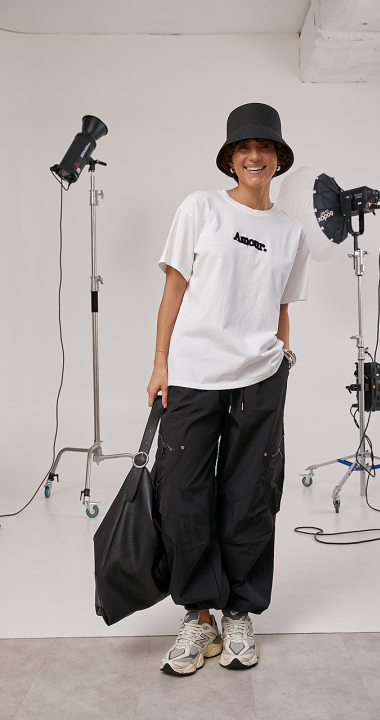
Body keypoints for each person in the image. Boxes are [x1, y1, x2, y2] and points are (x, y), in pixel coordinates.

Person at [147, 103, 311, 676]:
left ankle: (239, 611)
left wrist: (282, 359)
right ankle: (199, 617)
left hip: (261, 377)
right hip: (193, 373)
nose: (254, 156)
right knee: (182, 496)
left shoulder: (291, 233)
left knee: (250, 496)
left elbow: (281, 307)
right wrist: (160, 361)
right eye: (244, 148)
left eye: (264, 148)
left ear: (278, 158)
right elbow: (174, 288)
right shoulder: (200, 208)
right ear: (230, 158)